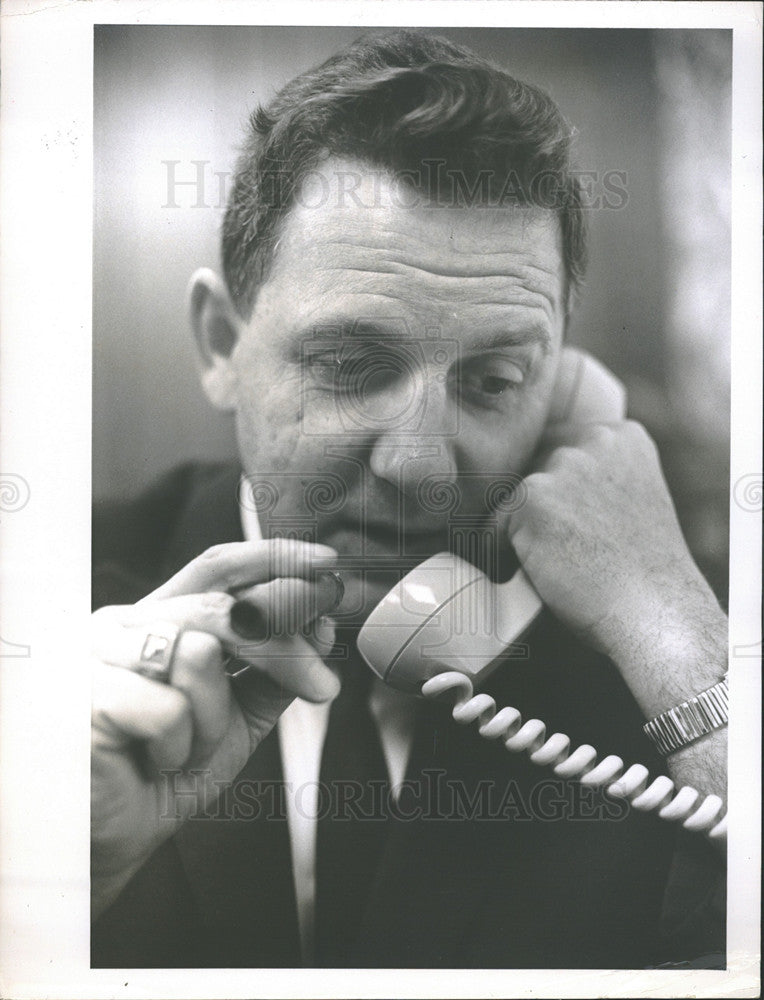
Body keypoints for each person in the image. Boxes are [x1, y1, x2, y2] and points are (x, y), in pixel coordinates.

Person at [91, 29, 727, 969]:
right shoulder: (44, 612)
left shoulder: (670, 641)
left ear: (562, 393)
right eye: (351, 366)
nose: (423, 468)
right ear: (222, 343)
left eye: (494, 379)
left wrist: (672, 636)